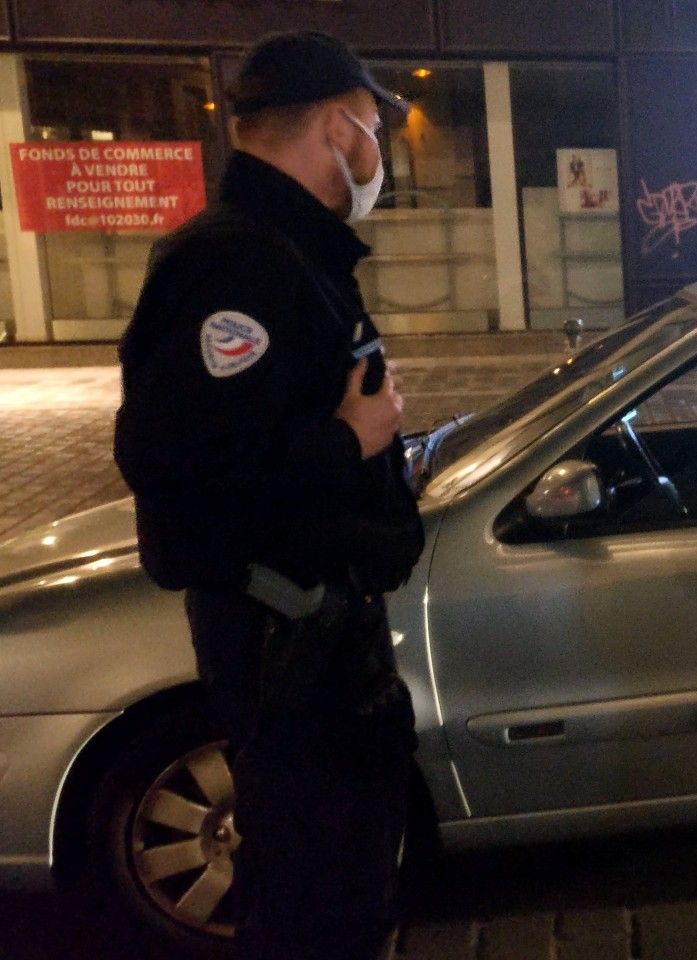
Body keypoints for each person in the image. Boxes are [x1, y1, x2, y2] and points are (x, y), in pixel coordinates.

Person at [112, 31, 424, 960]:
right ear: (336, 126)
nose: (378, 151)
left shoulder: (288, 252)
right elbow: (171, 458)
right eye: (372, 127)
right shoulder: (238, 264)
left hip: (310, 640)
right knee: (309, 904)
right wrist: (347, 441)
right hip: (287, 642)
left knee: (337, 887)